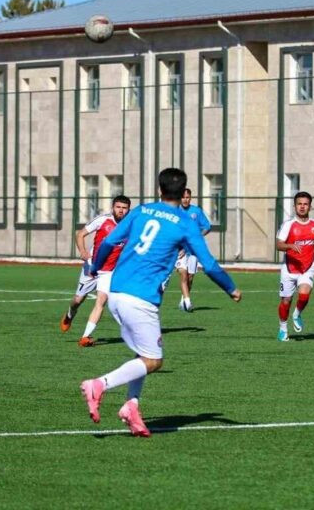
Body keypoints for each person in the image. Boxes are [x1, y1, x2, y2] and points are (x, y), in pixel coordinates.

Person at [79, 168, 241, 437]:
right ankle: (99, 384)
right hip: (140, 298)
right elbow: (209, 265)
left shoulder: (142, 211)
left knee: (143, 353)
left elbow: (107, 242)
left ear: (159, 189)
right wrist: (231, 288)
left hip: (117, 291)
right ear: (184, 191)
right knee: (154, 360)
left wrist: (95, 266)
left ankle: (132, 406)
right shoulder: (185, 222)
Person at [60, 195, 131, 346]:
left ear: (128, 210)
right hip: (92, 267)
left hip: (109, 271)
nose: (121, 210)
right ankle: (69, 314)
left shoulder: (130, 226)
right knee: (77, 300)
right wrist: (83, 251)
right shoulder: (102, 220)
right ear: (113, 207)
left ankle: (85, 336)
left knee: (101, 301)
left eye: (124, 208)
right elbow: (80, 234)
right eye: (118, 207)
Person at [275, 192, 314, 342]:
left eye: (305, 204)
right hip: (289, 268)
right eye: (299, 204)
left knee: (304, 294)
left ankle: (297, 313)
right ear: (295, 206)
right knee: (285, 301)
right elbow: (278, 245)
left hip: (307, 266)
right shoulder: (288, 225)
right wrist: (290, 246)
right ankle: (283, 329)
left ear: (310, 206)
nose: (302, 207)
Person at [176, 188, 212, 312]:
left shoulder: (196, 211)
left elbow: (207, 226)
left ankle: (183, 299)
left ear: (190, 198)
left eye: (187, 197)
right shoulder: (175, 211)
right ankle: (188, 302)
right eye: (183, 197)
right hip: (179, 249)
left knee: (190, 277)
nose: (185, 200)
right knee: (183, 274)